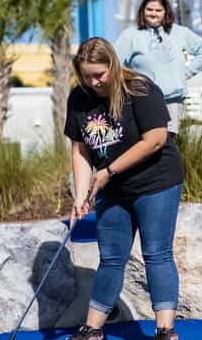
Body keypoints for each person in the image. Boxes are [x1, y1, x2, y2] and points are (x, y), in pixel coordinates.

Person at [64, 37, 184, 340]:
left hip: (155, 181)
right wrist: (80, 194)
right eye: (86, 76)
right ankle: (92, 329)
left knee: (156, 253)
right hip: (112, 187)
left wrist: (107, 172)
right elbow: (80, 149)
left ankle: (165, 330)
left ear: (113, 66)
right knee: (112, 257)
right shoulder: (79, 98)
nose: (93, 82)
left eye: (99, 75)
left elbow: (156, 139)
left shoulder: (140, 89)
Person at [115, 0, 202, 137]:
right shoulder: (130, 35)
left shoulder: (179, 32)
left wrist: (186, 73)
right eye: (149, 10)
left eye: (158, 10)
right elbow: (114, 64)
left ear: (165, 12)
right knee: (148, 142)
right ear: (142, 11)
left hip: (173, 101)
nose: (154, 14)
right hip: (144, 101)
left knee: (167, 142)